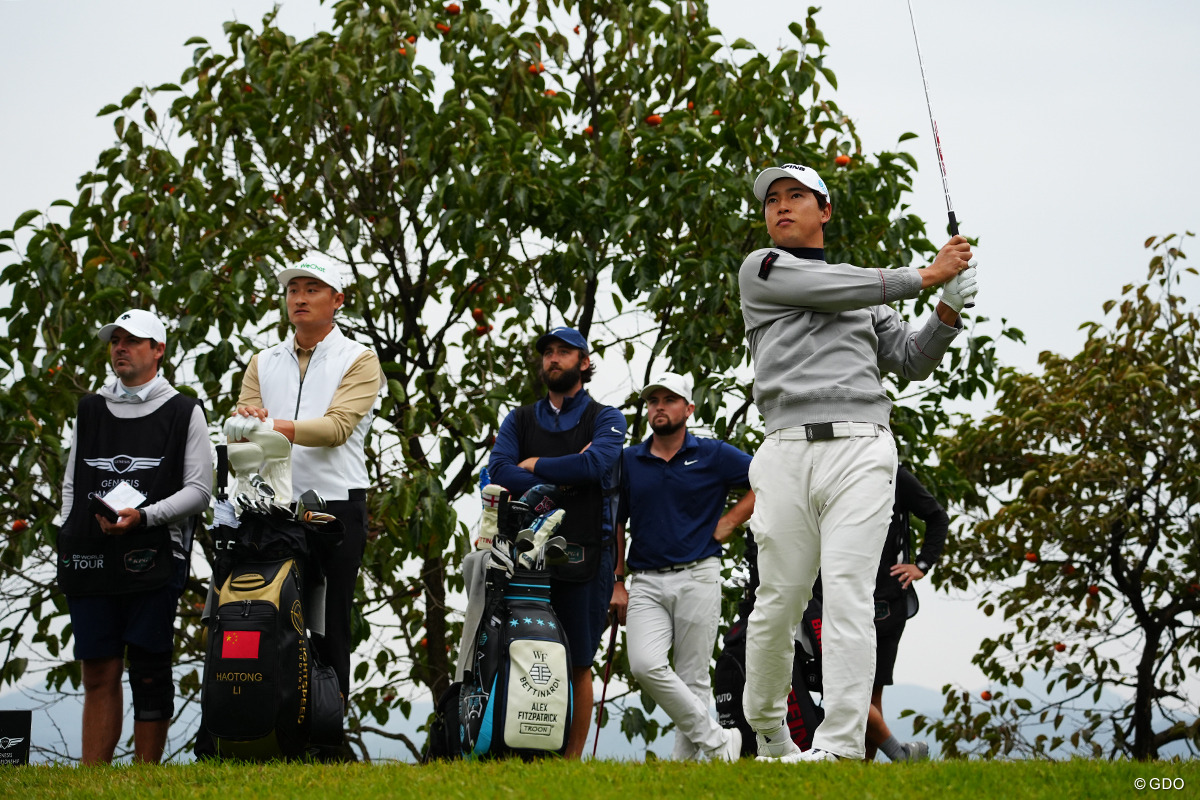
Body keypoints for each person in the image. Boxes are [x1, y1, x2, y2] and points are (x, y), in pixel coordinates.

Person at [738, 162, 978, 763]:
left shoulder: (864, 292)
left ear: (825, 211)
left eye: (796, 196)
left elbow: (910, 358)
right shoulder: (763, 269)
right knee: (779, 599)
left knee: (848, 594)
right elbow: (832, 288)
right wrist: (926, 274)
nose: (781, 207)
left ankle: (841, 747)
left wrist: (946, 312)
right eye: (773, 200)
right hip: (786, 446)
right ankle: (769, 735)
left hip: (862, 447)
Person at [224, 252, 384, 708]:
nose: (299, 298)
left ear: (338, 300)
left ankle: (324, 732)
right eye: (293, 290)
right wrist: (247, 420)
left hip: (335, 506)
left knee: (329, 624)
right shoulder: (263, 360)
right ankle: (270, 727)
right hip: (270, 509)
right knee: (268, 616)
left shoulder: (360, 358)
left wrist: (268, 425)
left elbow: (335, 429)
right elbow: (245, 428)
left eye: (312, 289)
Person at [56, 309, 212, 764]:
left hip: (155, 553)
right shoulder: (89, 408)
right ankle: (92, 776)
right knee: (98, 668)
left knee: (148, 668)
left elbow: (200, 491)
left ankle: (145, 776)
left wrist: (143, 518)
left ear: (158, 349)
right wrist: (68, 530)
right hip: (90, 553)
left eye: (132, 340)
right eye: (115, 340)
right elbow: (73, 480)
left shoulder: (184, 410)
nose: (120, 347)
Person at [487, 326, 627, 758]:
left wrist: (535, 465)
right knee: (511, 649)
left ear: (584, 362)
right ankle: (512, 749)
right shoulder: (521, 418)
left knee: (579, 661)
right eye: (548, 352)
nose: (554, 358)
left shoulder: (607, 418)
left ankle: (570, 762)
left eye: (564, 352)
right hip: (521, 556)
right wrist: (566, 469)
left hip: (588, 553)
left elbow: (598, 465)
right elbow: (499, 469)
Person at [609, 372, 753, 761]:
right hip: (645, 582)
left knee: (693, 677)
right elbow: (616, 524)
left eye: (669, 399)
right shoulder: (628, 461)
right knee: (643, 665)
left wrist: (731, 520)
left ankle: (684, 767)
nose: (659, 406)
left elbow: (768, 479)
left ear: (688, 409)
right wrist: (617, 582)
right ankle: (722, 741)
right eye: (653, 399)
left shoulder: (714, 454)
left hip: (698, 575)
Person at [865, 464, 948, 762]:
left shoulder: (893, 474)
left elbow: (937, 517)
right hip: (836, 595)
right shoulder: (834, 468)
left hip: (886, 601)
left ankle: (864, 770)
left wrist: (922, 564)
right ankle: (897, 756)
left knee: (869, 692)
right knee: (846, 687)